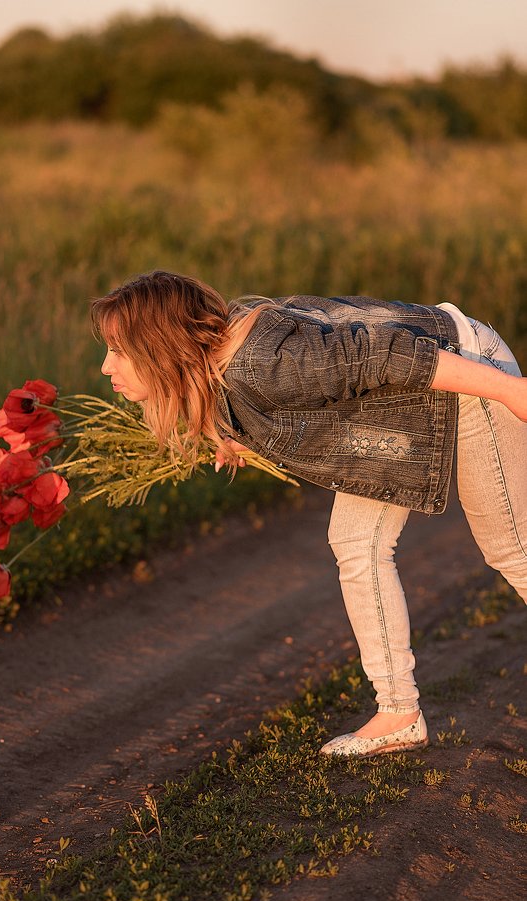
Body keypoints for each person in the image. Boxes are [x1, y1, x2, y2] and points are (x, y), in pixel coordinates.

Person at [93, 271, 527, 758]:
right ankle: (398, 713)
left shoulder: (264, 363)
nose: (106, 366)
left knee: (513, 547)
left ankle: (398, 709)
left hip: (467, 370)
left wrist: (511, 391)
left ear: (159, 345)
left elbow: (386, 356)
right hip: (399, 410)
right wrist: (231, 433)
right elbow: (260, 392)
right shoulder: (223, 359)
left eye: (119, 350)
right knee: (356, 542)